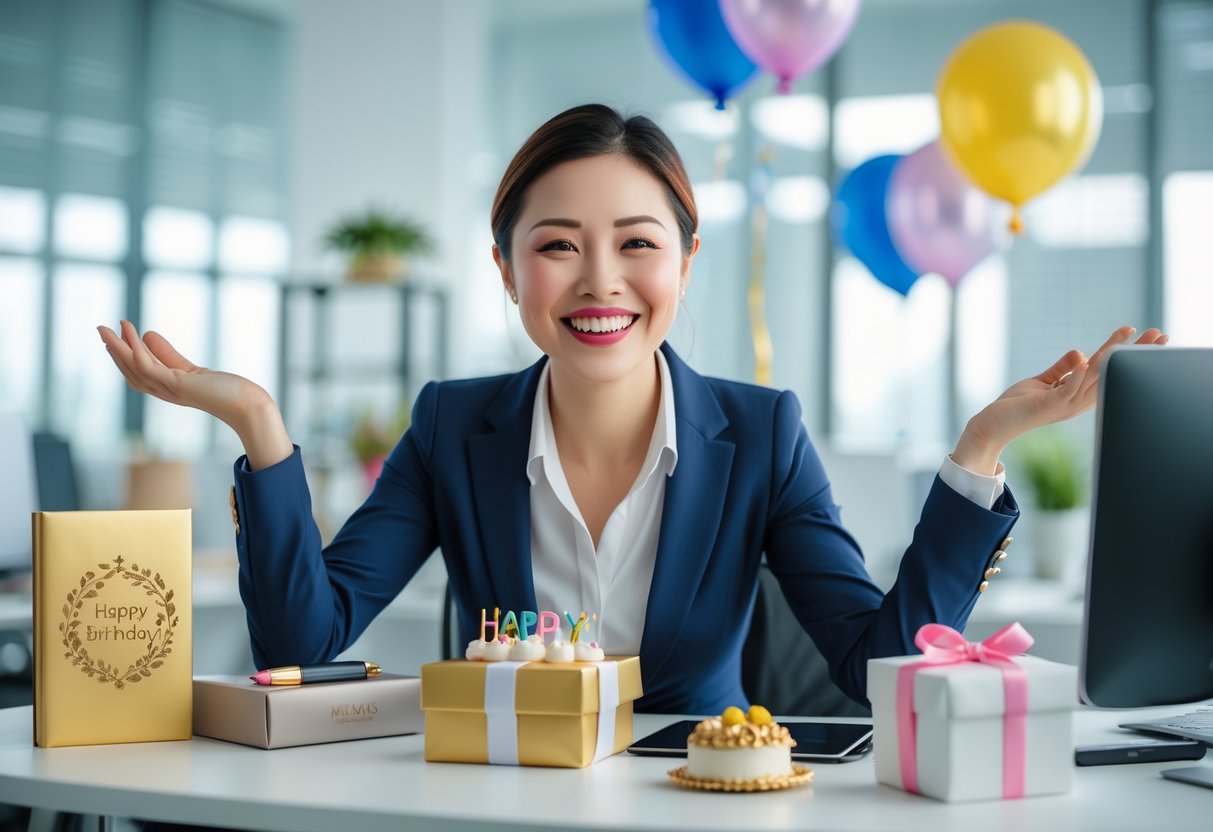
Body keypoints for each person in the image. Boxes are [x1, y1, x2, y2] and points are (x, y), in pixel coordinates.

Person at [98, 103, 1167, 714]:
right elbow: (299, 639)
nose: (599, 281)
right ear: (507, 270)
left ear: (687, 263)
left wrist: (982, 447)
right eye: (557, 244)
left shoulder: (761, 432)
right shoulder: (450, 426)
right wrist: (259, 428)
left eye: (638, 243)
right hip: (495, 808)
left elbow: (877, 662)